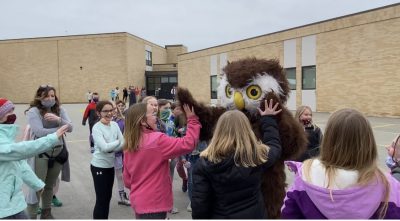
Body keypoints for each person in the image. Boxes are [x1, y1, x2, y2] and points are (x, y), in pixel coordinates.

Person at [281, 108, 400, 219]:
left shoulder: (304, 179)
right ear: (369, 142)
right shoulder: (390, 187)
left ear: (328, 141)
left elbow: (287, 214)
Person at [191, 99, 282, 219]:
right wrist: (268, 119)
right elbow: (275, 146)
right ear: (246, 130)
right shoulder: (257, 156)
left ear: (218, 131)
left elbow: (199, 207)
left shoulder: (204, 165)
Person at [123, 102, 201, 219]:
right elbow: (188, 143)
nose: (157, 118)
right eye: (154, 114)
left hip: (139, 201)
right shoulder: (157, 140)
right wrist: (193, 120)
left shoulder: (129, 144)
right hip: (155, 203)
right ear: (143, 121)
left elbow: (127, 181)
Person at [0, 98, 68, 219]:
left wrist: (37, 184)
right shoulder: (4, 143)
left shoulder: (5, 137)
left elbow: (20, 164)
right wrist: (52, 138)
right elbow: (21, 150)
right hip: (3, 208)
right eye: (8, 112)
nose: (13, 115)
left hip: (14, 203)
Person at [25, 85, 73, 219]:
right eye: (46, 96)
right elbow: (39, 132)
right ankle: (32, 215)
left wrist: (59, 120)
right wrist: (60, 130)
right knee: (37, 186)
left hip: (58, 153)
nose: (50, 98)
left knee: (49, 186)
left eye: (52, 95)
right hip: (41, 154)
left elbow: (71, 127)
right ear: (39, 97)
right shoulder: (33, 111)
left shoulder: (59, 109)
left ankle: (46, 213)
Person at [90, 100, 124, 219]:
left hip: (110, 166)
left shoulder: (114, 125)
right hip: (99, 167)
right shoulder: (97, 128)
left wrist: (112, 146)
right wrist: (117, 143)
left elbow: (123, 143)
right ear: (99, 113)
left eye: (111, 110)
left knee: (107, 197)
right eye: (105, 111)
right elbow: (104, 148)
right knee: (101, 199)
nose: (109, 113)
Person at [113, 100, 130, 206]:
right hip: (112, 153)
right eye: (117, 106)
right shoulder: (107, 121)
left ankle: (123, 196)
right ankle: (122, 196)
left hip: (121, 152)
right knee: (117, 175)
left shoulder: (124, 120)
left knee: (121, 175)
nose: (120, 108)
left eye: (121, 106)